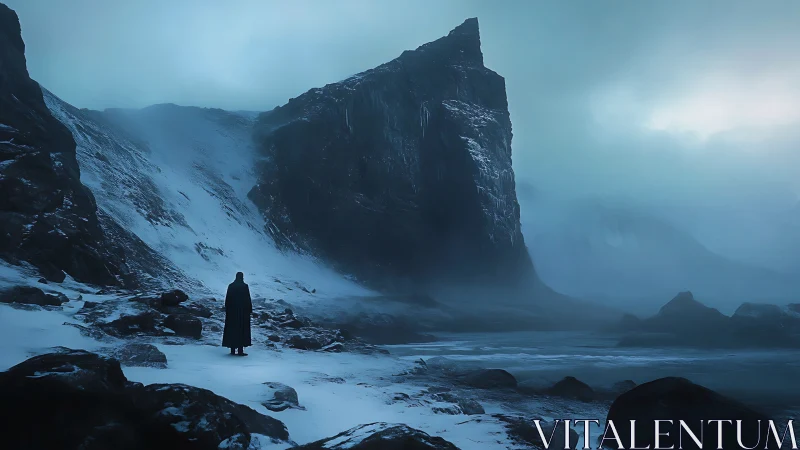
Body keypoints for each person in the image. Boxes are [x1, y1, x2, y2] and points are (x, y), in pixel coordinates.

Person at [222, 272, 252, 356]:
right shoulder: (244, 286)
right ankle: (240, 350)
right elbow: (247, 299)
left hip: (232, 313)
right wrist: (249, 310)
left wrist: (227, 310)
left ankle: (232, 350)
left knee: (232, 330)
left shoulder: (231, 286)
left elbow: (227, 299)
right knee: (241, 330)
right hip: (242, 313)